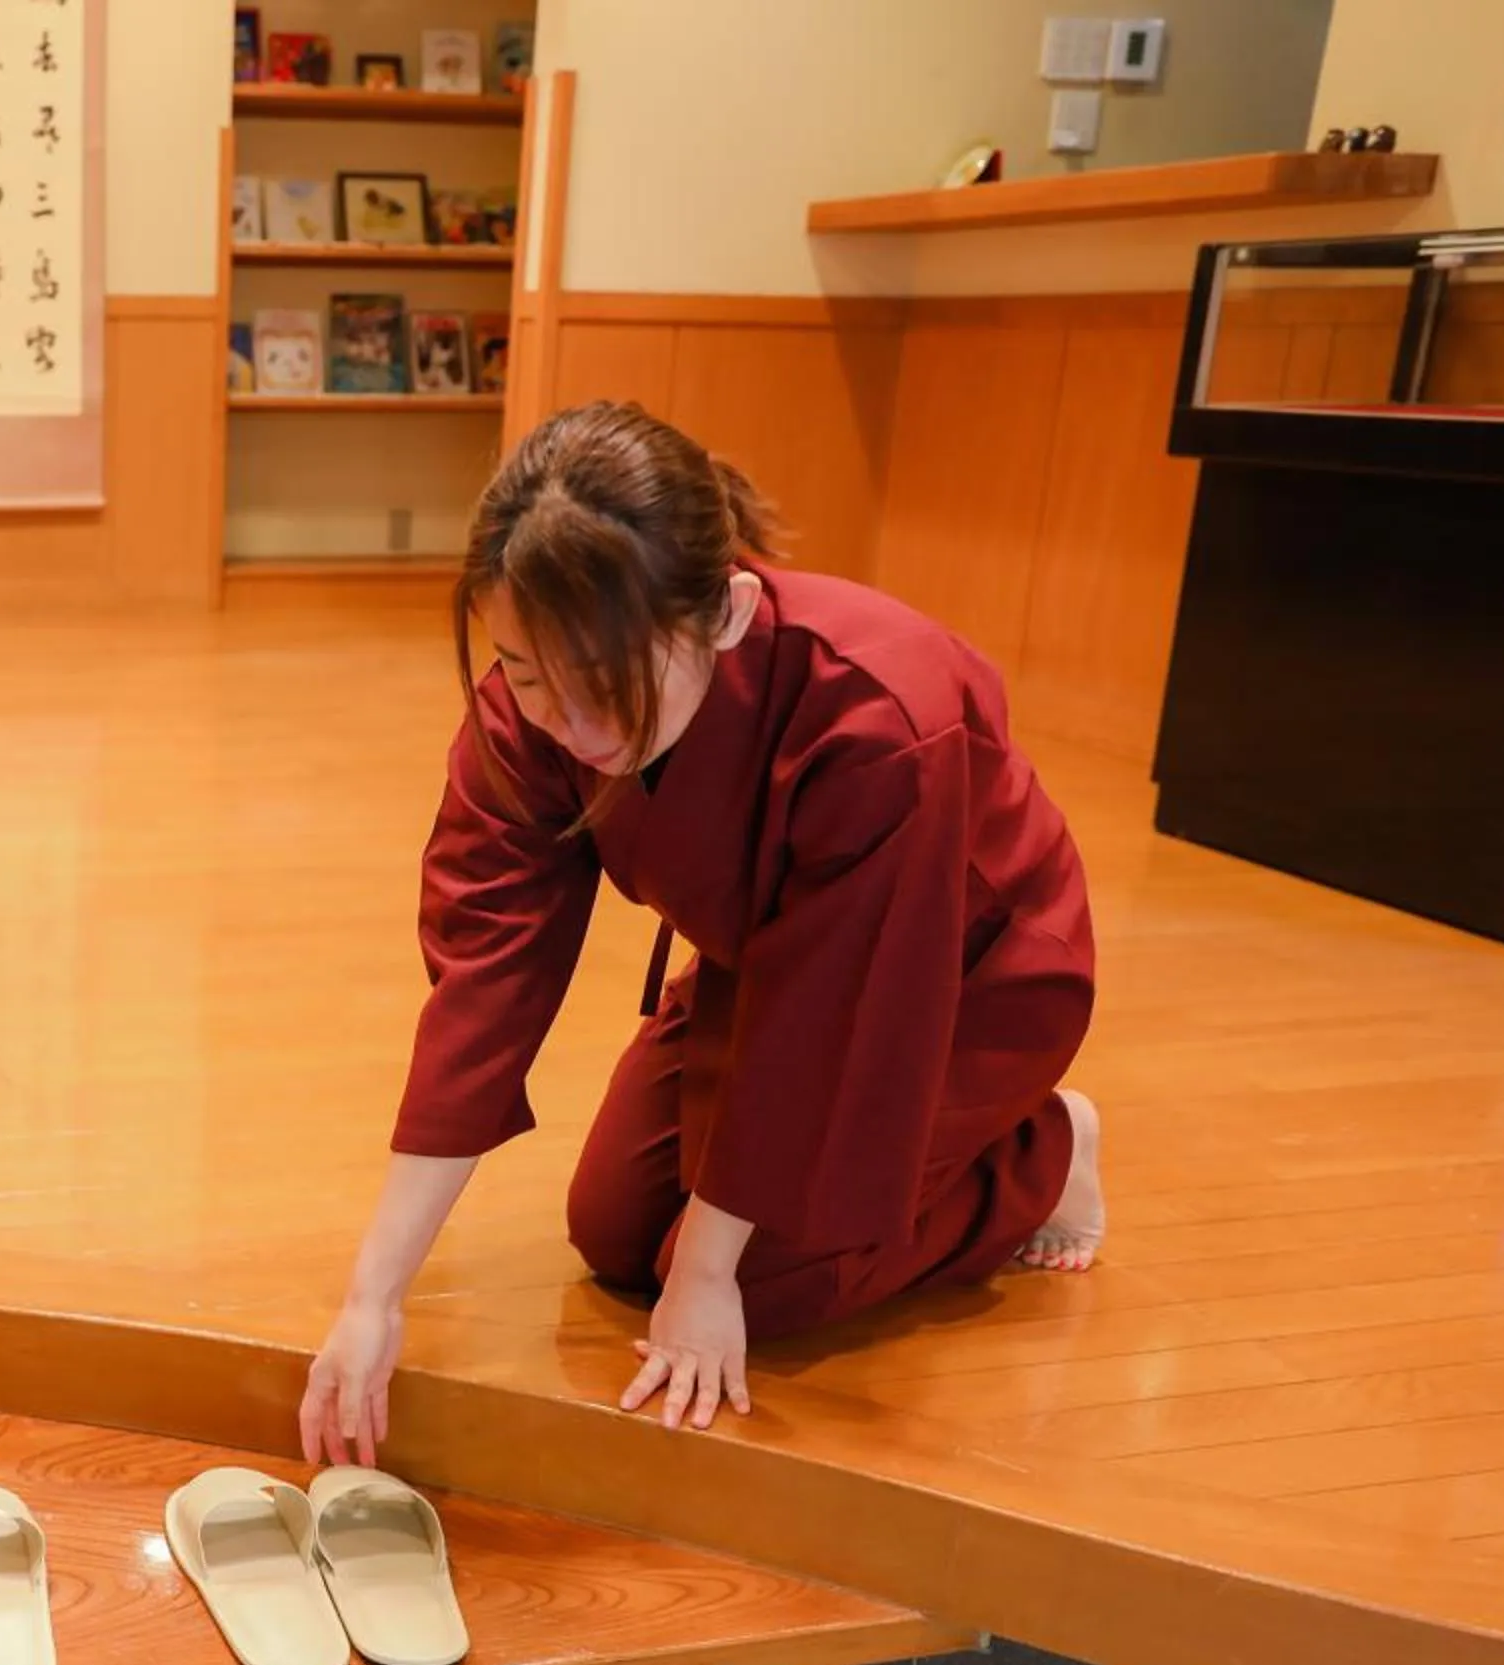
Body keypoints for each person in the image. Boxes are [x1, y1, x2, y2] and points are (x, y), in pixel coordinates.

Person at [300, 402, 1100, 1462]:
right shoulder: (532, 707)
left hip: (962, 982)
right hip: (762, 964)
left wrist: (714, 1271)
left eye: (601, 688)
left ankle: (1046, 1149)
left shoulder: (873, 717)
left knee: (764, 1282)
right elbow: (485, 977)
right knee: (616, 1233)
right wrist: (373, 1296)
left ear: (724, 614)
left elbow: (836, 1013)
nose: (567, 728)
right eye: (526, 671)